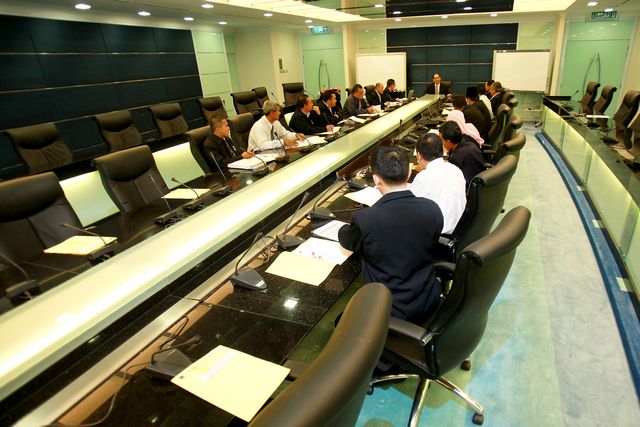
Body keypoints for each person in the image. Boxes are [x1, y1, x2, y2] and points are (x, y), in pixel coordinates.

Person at [338, 146, 444, 322]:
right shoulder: (432, 208)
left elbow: (347, 240)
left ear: (376, 179)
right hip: (428, 297)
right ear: (409, 173)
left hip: (388, 308)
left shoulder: (366, 219)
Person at [410, 133, 466, 235]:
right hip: (460, 228)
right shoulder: (456, 170)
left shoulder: (423, 177)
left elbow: (409, 206)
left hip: (440, 234)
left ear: (419, 156)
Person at [440, 120, 485, 186]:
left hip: (467, 188)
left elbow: (447, 179)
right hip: (478, 184)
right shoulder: (470, 144)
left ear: (448, 141)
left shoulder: (456, 157)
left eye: (442, 140)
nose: (442, 143)